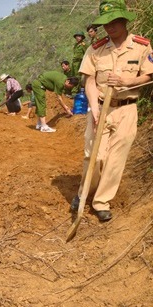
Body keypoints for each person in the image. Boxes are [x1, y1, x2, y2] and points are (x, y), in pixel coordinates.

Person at [70, 0, 153, 221]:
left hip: (127, 109)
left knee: (115, 159)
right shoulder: (95, 49)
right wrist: (94, 107)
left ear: (124, 20)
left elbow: (149, 75)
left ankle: (101, 201)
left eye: (114, 22)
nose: (110, 27)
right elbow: (88, 81)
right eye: (105, 23)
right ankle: (84, 192)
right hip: (100, 108)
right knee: (94, 155)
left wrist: (128, 80)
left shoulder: (141, 46)